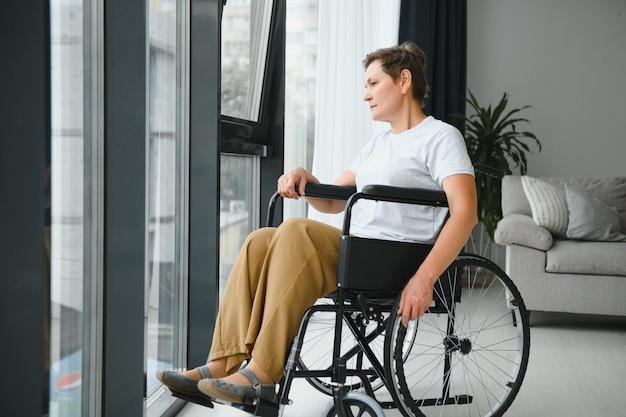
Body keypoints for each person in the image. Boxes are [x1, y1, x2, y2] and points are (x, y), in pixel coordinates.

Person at [157, 41, 478, 405]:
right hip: (360, 251)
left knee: (295, 231)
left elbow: (465, 212)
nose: (366, 95)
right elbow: (331, 200)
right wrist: (306, 180)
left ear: (404, 81)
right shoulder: (378, 145)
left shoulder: (440, 137)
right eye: (365, 86)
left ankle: (262, 375)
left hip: (397, 258)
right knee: (259, 241)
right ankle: (220, 362)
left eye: (373, 84)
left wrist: (424, 279)